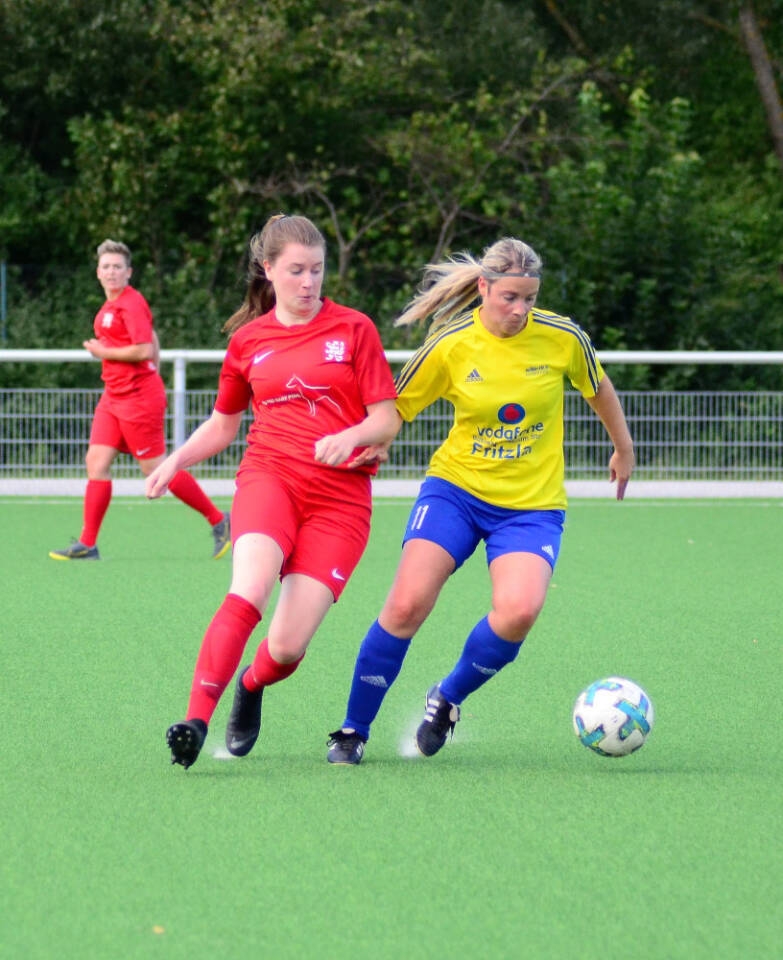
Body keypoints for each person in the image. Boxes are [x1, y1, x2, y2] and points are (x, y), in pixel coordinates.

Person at [326, 236, 635, 765]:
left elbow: (597, 387)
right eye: (509, 297)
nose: (520, 310)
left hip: (531, 507)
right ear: (484, 288)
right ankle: (352, 730)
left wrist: (623, 448)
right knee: (405, 606)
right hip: (456, 493)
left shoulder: (563, 337)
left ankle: (446, 699)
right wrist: (373, 440)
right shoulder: (450, 344)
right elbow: (396, 407)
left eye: (529, 299)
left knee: (519, 612)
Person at [145, 214, 399, 770]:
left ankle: (252, 682)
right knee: (250, 586)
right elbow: (224, 425)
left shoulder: (355, 328)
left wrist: (352, 436)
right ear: (268, 269)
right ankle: (194, 721)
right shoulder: (248, 341)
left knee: (286, 648)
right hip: (270, 477)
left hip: (340, 501)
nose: (309, 282)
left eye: (317, 270)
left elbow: (387, 418)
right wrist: (176, 460)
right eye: (296, 271)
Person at [49, 239, 230, 561]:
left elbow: (144, 348)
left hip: (137, 399)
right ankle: (88, 544)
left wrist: (105, 353)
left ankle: (220, 521)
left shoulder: (130, 303)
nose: (111, 272)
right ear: (98, 272)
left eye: (117, 267)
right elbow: (152, 337)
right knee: (96, 463)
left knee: (156, 469)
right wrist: (149, 367)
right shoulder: (110, 306)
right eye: (106, 266)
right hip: (113, 396)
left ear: (128, 272)